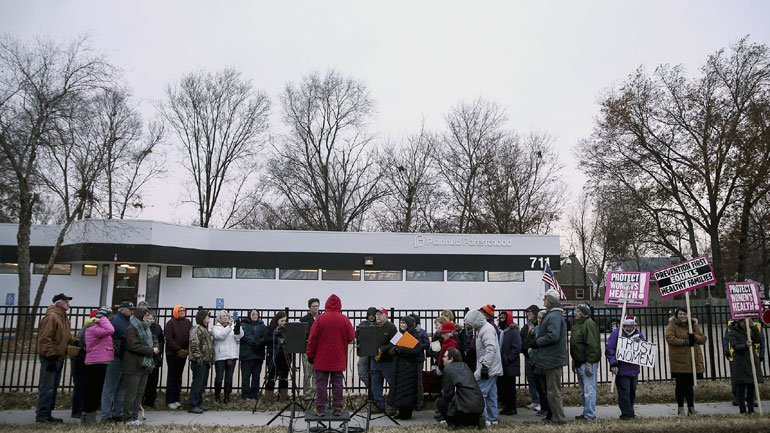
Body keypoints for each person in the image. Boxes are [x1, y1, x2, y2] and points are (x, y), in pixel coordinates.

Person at [307, 294, 355, 416]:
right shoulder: (344, 319)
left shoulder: (320, 319)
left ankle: (320, 408)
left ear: (327, 304)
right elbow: (351, 336)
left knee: (321, 383)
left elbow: (312, 338)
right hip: (338, 357)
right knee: (338, 382)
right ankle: (337, 407)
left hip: (322, 357)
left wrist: (310, 355)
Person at [35, 293, 77, 423]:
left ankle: (48, 414)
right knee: (47, 387)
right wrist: (50, 354)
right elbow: (45, 338)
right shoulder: (52, 317)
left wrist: (75, 341)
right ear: (58, 303)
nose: (68, 304)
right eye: (65, 302)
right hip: (51, 358)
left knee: (53, 387)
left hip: (58, 357)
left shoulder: (63, 318)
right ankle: (42, 415)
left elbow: (65, 336)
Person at [530, 288, 568, 425]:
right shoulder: (553, 314)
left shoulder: (554, 316)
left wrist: (538, 342)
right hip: (550, 357)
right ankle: (553, 416)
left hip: (553, 358)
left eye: (545, 299)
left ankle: (559, 419)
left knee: (553, 391)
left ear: (550, 301)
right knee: (551, 390)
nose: (543, 300)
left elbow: (553, 335)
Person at [665, 306, 706, 416]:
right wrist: (685, 342)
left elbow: (703, 339)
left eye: (685, 314)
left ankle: (691, 408)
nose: (683, 316)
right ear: (677, 315)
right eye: (681, 314)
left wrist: (695, 338)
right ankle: (680, 408)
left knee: (689, 385)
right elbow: (670, 338)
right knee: (680, 385)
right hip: (679, 360)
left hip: (692, 360)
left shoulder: (693, 325)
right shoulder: (673, 325)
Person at [464, 309, 503, 426]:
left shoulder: (486, 330)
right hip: (491, 366)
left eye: (468, 322)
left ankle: (485, 419)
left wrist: (485, 366)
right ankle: (493, 418)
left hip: (488, 367)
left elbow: (490, 348)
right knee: (491, 394)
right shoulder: (482, 329)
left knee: (481, 394)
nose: (467, 324)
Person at [122, 306, 159, 426]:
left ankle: (134, 417)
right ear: (140, 315)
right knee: (131, 394)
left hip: (145, 365)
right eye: (145, 315)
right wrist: (150, 350)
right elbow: (133, 346)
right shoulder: (131, 328)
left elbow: (154, 338)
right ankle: (127, 418)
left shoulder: (146, 327)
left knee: (139, 393)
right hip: (133, 364)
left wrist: (156, 347)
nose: (147, 317)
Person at [606, 315, 646, 420]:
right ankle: (625, 414)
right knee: (624, 392)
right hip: (621, 370)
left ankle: (630, 412)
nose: (628, 328)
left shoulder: (638, 334)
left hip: (634, 370)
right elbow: (610, 349)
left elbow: (645, 348)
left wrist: (640, 343)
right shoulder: (617, 333)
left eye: (631, 326)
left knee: (632, 392)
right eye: (626, 326)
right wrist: (613, 363)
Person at [100, 301, 134, 423]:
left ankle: (117, 412)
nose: (131, 311)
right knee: (110, 387)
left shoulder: (127, 321)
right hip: (116, 358)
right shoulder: (117, 322)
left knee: (121, 387)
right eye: (129, 309)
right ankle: (106, 415)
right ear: (122, 310)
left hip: (125, 358)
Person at [436, 348, 485, 429]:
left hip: (464, 409)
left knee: (440, 402)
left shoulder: (448, 369)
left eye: (445, 357)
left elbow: (447, 393)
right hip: (478, 407)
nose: (442, 358)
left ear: (451, 359)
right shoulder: (465, 366)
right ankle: (476, 421)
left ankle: (453, 424)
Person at [387, 315, 424, 420]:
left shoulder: (414, 334)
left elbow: (416, 350)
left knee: (407, 390)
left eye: (404, 323)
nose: (402, 325)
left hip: (409, 367)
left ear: (409, 324)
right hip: (399, 366)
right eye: (401, 323)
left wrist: (401, 350)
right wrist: (394, 350)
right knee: (399, 390)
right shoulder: (399, 335)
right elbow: (391, 348)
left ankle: (407, 413)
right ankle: (400, 411)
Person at [724, 318, 764, 407]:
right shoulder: (733, 331)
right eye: (742, 322)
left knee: (751, 384)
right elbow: (734, 345)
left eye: (745, 322)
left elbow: (759, 339)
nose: (744, 324)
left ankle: (751, 406)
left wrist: (753, 326)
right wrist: (745, 346)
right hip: (740, 361)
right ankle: (740, 404)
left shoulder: (751, 330)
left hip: (750, 359)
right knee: (741, 385)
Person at [570, 303, 600, 420]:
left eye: (578, 311)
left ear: (583, 313)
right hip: (579, 362)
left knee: (589, 390)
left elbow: (593, 345)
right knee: (584, 391)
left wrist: (589, 362)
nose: (575, 313)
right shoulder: (578, 325)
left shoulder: (589, 324)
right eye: (576, 311)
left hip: (587, 363)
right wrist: (575, 360)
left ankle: (590, 415)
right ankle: (586, 412)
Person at [164, 304, 192, 409]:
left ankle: (177, 398)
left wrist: (187, 349)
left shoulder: (187, 322)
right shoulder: (170, 323)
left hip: (183, 353)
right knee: (172, 376)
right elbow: (169, 338)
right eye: (179, 311)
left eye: (183, 311)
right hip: (172, 354)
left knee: (178, 376)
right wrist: (178, 349)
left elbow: (190, 335)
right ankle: (170, 399)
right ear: (175, 312)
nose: (181, 313)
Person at [371, 308, 397, 412]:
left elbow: (394, 342)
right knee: (376, 384)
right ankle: (379, 406)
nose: (378, 316)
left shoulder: (391, 327)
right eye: (377, 314)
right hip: (375, 361)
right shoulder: (372, 327)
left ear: (386, 316)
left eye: (381, 314)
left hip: (388, 361)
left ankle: (393, 406)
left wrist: (382, 350)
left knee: (392, 382)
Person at [188, 309, 214, 414]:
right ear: (202, 318)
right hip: (199, 361)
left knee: (202, 384)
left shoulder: (204, 329)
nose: (208, 320)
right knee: (197, 384)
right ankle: (192, 405)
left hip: (205, 361)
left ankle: (199, 402)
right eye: (207, 317)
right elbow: (194, 344)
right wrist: (199, 358)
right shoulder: (196, 329)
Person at [238, 309, 268, 400]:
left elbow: (265, 336)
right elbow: (245, 335)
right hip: (247, 354)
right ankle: (245, 395)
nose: (255, 316)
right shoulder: (244, 324)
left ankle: (254, 394)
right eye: (253, 314)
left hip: (258, 354)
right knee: (246, 376)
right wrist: (254, 342)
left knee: (256, 376)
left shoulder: (262, 325)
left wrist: (260, 342)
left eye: (256, 314)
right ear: (249, 315)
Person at [213, 310, 240, 404]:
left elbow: (239, 336)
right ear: (219, 318)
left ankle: (227, 396)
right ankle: (217, 396)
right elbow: (220, 336)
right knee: (219, 377)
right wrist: (229, 327)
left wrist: (238, 327)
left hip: (231, 356)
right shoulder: (216, 327)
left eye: (227, 316)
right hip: (220, 356)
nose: (225, 317)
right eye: (223, 316)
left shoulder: (232, 326)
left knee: (229, 377)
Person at [497, 310, 521, 416]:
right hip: (500, 364)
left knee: (510, 387)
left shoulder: (513, 331)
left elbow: (517, 347)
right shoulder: (500, 331)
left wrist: (508, 359)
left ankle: (511, 407)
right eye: (500, 318)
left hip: (509, 364)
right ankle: (506, 406)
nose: (501, 320)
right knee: (502, 386)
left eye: (503, 318)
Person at [264, 311, 290, 403]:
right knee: (271, 377)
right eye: (281, 321)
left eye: (285, 321)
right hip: (273, 356)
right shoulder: (270, 328)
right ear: (277, 320)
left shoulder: (287, 329)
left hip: (285, 356)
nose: (283, 323)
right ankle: (268, 399)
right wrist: (276, 337)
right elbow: (266, 339)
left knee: (284, 377)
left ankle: (283, 398)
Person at [70, 310, 90, 420]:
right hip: (80, 359)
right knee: (80, 385)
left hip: (81, 358)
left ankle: (80, 409)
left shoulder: (85, 329)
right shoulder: (87, 330)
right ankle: (77, 410)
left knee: (81, 385)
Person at [520, 304, 541, 411]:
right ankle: (535, 400)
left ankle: (540, 401)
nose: (528, 315)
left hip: (535, 357)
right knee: (531, 379)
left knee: (538, 379)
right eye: (527, 313)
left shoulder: (538, 325)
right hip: (527, 356)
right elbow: (522, 337)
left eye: (530, 313)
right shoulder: (526, 326)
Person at [142, 312, 164, 408]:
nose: (150, 320)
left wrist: (158, 351)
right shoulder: (143, 328)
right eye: (148, 318)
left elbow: (161, 341)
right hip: (145, 356)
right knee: (144, 380)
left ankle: (150, 400)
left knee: (153, 380)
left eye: (152, 319)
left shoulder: (157, 328)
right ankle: (142, 399)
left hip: (155, 357)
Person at [300, 298, 320, 404]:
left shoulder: (321, 318)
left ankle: (315, 394)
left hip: (319, 349)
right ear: (309, 307)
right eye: (313, 306)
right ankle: (307, 394)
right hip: (307, 348)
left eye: (317, 306)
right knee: (307, 372)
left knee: (317, 372)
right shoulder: (304, 319)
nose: (315, 308)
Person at [530, 310, 550, 418]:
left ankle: (547, 408)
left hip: (543, 360)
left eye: (541, 318)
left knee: (545, 386)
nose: (539, 320)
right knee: (538, 385)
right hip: (535, 360)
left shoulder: (546, 329)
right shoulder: (536, 328)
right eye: (538, 318)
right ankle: (542, 407)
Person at [410, 313, 431, 410]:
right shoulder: (407, 331)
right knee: (410, 381)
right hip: (409, 359)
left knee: (418, 381)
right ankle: (411, 402)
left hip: (418, 359)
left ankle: (419, 403)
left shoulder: (422, 332)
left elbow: (427, 344)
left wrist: (417, 346)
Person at [356, 307, 378, 387]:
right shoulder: (363, 323)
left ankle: (373, 393)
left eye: (373, 315)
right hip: (364, 352)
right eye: (369, 315)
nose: (371, 317)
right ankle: (372, 389)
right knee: (362, 373)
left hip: (375, 352)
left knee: (374, 374)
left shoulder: (379, 324)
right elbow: (357, 335)